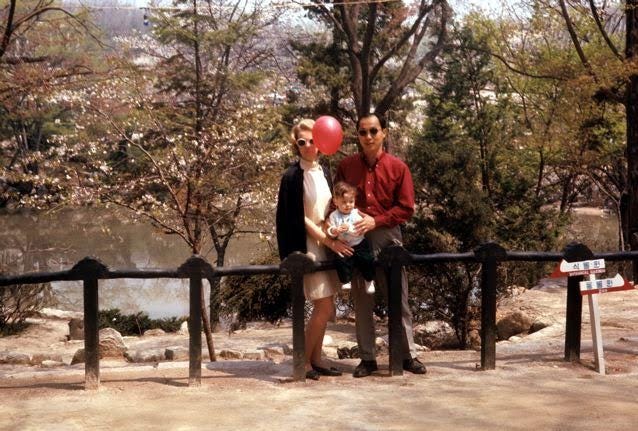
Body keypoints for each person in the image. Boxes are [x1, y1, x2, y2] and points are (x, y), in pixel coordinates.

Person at [335, 113, 427, 378]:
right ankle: (367, 358)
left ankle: (407, 354)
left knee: (399, 297)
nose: (368, 137)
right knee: (363, 300)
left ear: (384, 133)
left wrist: (377, 221)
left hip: (387, 236)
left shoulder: (398, 168)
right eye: (363, 132)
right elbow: (336, 201)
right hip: (356, 238)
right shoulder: (347, 166)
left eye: (373, 131)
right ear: (358, 136)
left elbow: (406, 208)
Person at [276, 118, 352, 381]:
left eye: (313, 141)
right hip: (309, 244)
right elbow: (299, 218)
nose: (308, 146)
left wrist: (337, 231)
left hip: (328, 239)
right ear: (296, 146)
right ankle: (303, 360)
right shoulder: (292, 176)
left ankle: (316, 359)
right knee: (323, 306)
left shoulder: (323, 171)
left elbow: (329, 208)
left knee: (327, 307)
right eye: (302, 142)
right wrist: (327, 240)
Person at [326, 181, 376, 294]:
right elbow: (330, 230)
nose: (348, 205)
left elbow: (359, 231)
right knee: (340, 261)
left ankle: (369, 280)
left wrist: (348, 229)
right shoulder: (333, 215)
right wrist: (334, 231)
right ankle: (345, 281)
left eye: (351, 201)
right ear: (336, 201)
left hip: (359, 243)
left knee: (367, 259)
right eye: (344, 202)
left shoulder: (356, 213)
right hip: (343, 245)